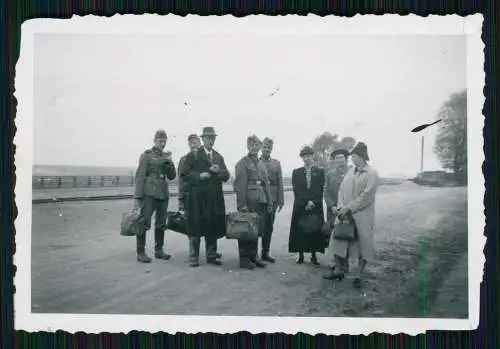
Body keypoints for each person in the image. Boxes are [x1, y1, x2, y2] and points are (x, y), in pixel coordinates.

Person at [325, 142, 379, 288]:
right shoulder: (350, 172)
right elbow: (341, 191)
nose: (352, 159)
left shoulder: (372, 173)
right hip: (344, 214)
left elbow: (366, 196)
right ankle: (338, 270)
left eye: (354, 156)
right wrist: (341, 207)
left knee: (363, 244)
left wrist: (348, 208)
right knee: (338, 240)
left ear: (361, 157)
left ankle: (359, 275)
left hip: (362, 214)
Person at [180, 127, 229, 267]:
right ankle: (193, 257)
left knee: (212, 226)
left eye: (213, 137)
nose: (211, 140)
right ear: (203, 139)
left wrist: (218, 171)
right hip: (197, 199)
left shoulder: (218, 157)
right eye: (208, 137)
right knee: (195, 227)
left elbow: (226, 176)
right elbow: (184, 175)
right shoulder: (194, 155)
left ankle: (211, 255)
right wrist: (198, 176)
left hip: (213, 198)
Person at [134, 129, 177, 263]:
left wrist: (170, 162)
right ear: (154, 140)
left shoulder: (166, 156)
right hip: (149, 193)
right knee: (144, 221)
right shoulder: (146, 156)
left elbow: (172, 176)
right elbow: (140, 176)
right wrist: (138, 197)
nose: (162, 143)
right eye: (160, 140)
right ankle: (140, 252)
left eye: (164, 141)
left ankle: (159, 250)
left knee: (161, 222)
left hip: (162, 193)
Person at [233, 135, 273, 269]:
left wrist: (269, 202)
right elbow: (239, 185)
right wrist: (242, 205)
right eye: (251, 145)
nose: (254, 148)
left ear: (260, 147)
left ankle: (253, 256)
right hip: (248, 202)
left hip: (260, 201)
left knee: (256, 230)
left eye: (257, 145)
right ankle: (244, 259)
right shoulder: (242, 163)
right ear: (247, 146)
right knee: (245, 229)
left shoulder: (261, 164)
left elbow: (266, 184)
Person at [288, 145, 326, 265]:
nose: (306, 159)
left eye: (308, 156)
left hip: (315, 205)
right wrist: (306, 202)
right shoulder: (296, 172)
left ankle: (314, 256)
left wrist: (313, 202)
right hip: (301, 205)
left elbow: (320, 189)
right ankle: (300, 255)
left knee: (315, 229)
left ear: (313, 157)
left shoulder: (320, 172)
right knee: (300, 229)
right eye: (304, 156)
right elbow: (297, 190)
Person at [323, 148, 349, 273]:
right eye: (337, 158)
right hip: (333, 210)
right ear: (334, 160)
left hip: (347, 210)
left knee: (347, 235)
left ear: (346, 159)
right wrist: (332, 206)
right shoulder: (330, 174)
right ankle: (335, 261)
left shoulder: (352, 172)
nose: (339, 160)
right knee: (334, 235)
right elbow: (326, 192)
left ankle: (345, 262)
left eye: (342, 158)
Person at [259, 137, 284, 263]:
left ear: (272, 149)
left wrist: (281, 200)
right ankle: (253, 253)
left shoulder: (276, 163)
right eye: (264, 147)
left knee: (269, 226)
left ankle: (265, 252)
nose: (267, 150)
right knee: (258, 224)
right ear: (261, 148)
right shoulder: (256, 162)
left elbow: (280, 182)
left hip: (273, 198)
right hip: (259, 197)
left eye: (269, 148)